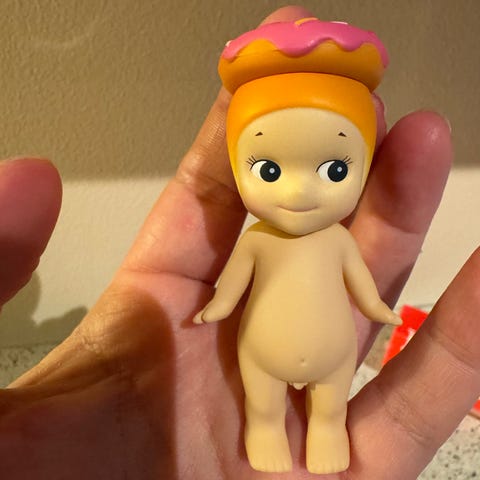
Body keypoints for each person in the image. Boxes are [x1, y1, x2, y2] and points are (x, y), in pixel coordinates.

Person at [0, 6, 477, 479]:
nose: (298, 191)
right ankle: (264, 429)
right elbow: (232, 282)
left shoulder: (336, 240)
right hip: (261, 351)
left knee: (329, 406)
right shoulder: (259, 239)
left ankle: (326, 430)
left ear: (363, 163)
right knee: (262, 402)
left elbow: (361, 283)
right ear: (235, 162)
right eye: (268, 170)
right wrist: (217, 306)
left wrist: (376, 308)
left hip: (333, 353)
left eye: (334, 169)